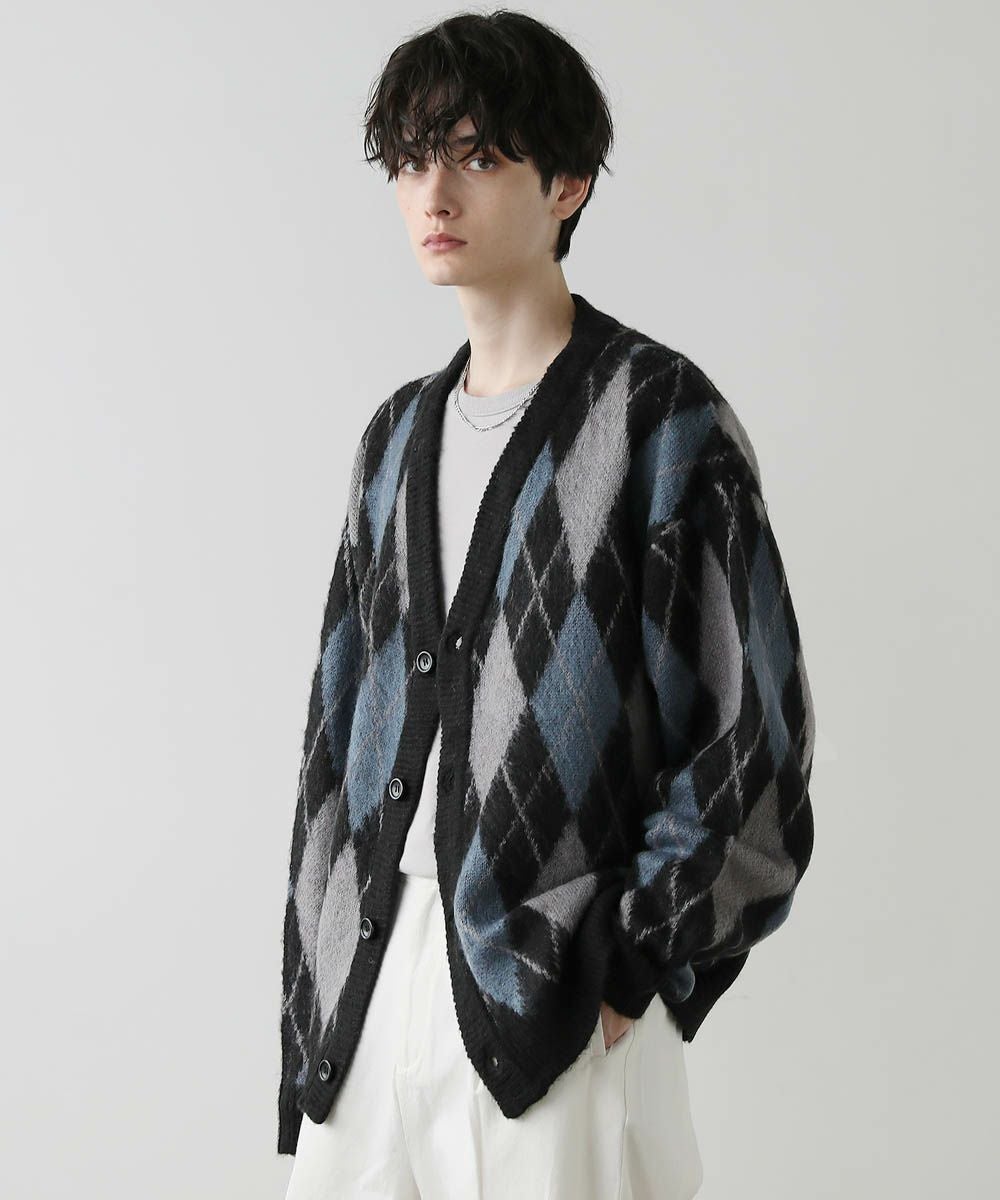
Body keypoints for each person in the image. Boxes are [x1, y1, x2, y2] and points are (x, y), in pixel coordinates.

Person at [279, 11, 816, 1200]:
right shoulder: (393, 439)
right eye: (412, 160)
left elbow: (753, 741)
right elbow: (335, 729)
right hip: (369, 983)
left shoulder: (659, 419)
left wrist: (631, 965)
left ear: (567, 184)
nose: (434, 194)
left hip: (556, 984)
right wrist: (315, 967)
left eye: (477, 156)